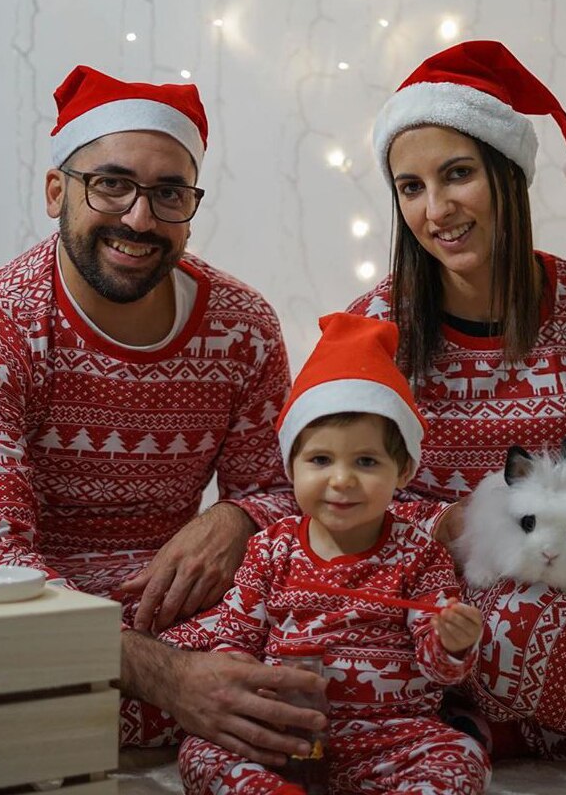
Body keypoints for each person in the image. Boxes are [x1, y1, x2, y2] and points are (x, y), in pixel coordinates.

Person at [0, 64, 327, 761]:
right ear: (57, 191)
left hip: (170, 607)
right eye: (112, 184)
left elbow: (284, 495)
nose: (140, 217)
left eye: (168, 193)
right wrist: (170, 680)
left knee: (338, 640)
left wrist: (234, 517)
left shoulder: (244, 326)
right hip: (5, 611)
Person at [347, 40, 566, 764]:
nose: (437, 209)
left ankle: (537, 713)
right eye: (410, 187)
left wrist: (560, 535)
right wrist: (452, 526)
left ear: (507, 176)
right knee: (512, 627)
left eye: (457, 175)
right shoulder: (377, 327)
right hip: (449, 603)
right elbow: (341, 496)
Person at [179, 312, 490, 794]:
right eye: (320, 460)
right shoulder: (270, 549)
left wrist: (452, 640)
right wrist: (247, 686)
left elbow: (436, 667)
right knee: (200, 750)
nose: (341, 480)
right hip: (284, 731)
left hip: (391, 737)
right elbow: (234, 639)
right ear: (291, 466)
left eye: (366, 461)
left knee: (460, 756)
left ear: (403, 471)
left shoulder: (419, 555)